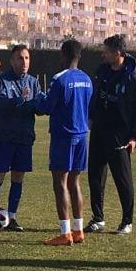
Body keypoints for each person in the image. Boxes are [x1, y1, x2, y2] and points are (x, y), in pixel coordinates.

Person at [85, 34, 136, 235]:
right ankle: (98, 219)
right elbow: (95, 96)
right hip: (99, 130)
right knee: (95, 176)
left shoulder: (134, 77)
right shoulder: (102, 71)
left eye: (106, 51)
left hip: (120, 134)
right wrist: (91, 117)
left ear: (118, 53)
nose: (103, 54)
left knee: (122, 178)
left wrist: (134, 137)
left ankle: (127, 221)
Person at [35, 40, 93, 246]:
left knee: (60, 183)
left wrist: (36, 98)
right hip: (82, 136)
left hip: (63, 136)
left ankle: (65, 232)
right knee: (75, 182)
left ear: (64, 56)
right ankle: (79, 230)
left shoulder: (59, 79)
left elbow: (47, 106)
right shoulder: (87, 79)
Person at [0, 44, 42, 232]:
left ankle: (13, 217)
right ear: (12, 61)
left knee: (18, 177)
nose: (24, 62)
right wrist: (20, 101)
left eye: (27, 58)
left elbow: (39, 106)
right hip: (5, 137)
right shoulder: (2, 80)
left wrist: (47, 104)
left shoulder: (33, 82)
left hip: (24, 138)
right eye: (20, 58)